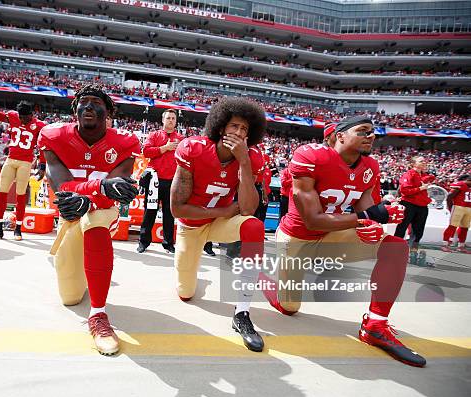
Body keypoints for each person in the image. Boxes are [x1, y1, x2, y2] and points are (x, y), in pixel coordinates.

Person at [268, 115, 425, 367]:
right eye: (363, 130)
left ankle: (375, 325)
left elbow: (365, 211)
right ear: (339, 135)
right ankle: (270, 285)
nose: (371, 135)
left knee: (395, 247)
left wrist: (372, 225)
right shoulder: (310, 156)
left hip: (333, 235)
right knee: (289, 307)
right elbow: (312, 221)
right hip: (297, 239)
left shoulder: (370, 166)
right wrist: (369, 216)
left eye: (373, 132)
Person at [39, 85, 140, 355]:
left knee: (94, 217)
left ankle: (98, 315)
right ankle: (88, 272)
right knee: (71, 298)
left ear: (108, 112)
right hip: (70, 219)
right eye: (83, 102)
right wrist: (98, 188)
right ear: (75, 110)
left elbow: (112, 196)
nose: (89, 107)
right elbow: (63, 191)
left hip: (103, 213)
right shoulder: (54, 135)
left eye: (97, 103)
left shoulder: (124, 142)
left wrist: (92, 193)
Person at [171, 97, 267, 352]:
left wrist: (244, 162)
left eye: (245, 129)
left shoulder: (251, 158)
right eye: (234, 126)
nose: (238, 133)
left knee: (253, 226)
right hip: (191, 225)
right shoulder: (194, 149)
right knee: (185, 292)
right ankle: (196, 279)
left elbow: (247, 208)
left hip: (219, 224)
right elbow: (177, 208)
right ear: (222, 126)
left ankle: (242, 313)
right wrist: (223, 209)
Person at [0, 79, 47, 241]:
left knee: (21, 194)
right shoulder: (13, 117)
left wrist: (42, 166)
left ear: (31, 115)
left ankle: (18, 229)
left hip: (25, 162)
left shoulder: (39, 125)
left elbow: (43, 146)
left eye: (25, 117)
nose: (22, 120)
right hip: (10, 159)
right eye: (21, 117)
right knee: (1, 192)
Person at [137, 109, 184, 253]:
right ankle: (143, 242)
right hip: (155, 181)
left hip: (172, 182)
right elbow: (146, 152)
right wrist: (165, 148)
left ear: (176, 121)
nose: (170, 120)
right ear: (163, 120)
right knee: (149, 212)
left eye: (173, 118)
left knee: (169, 214)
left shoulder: (181, 139)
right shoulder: (154, 135)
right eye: (168, 118)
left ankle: (168, 243)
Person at [394, 156, 435, 263]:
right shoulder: (408, 174)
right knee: (401, 228)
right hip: (409, 204)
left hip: (422, 206)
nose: (424, 162)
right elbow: (405, 190)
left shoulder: (425, 175)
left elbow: (431, 178)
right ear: (413, 164)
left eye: (424, 161)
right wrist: (421, 188)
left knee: (418, 232)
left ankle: (413, 253)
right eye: (421, 161)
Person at [441, 174, 471, 253]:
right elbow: (449, 197)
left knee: (465, 227)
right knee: (452, 226)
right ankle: (445, 244)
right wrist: (451, 208)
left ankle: (461, 246)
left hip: (468, 208)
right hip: (458, 207)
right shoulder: (460, 185)